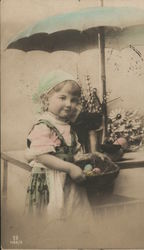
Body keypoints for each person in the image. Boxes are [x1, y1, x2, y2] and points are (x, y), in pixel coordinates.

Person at [25, 70, 96, 221]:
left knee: (74, 216)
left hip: (68, 181)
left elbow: (73, 152)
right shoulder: (43, 125)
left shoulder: (67, 125)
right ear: (46, 100)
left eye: (74, 100)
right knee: (52, 219)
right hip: (50, 180)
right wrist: (70, 168)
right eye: (62, 98)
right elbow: (42, 156)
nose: (69, 104)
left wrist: (86, 158)